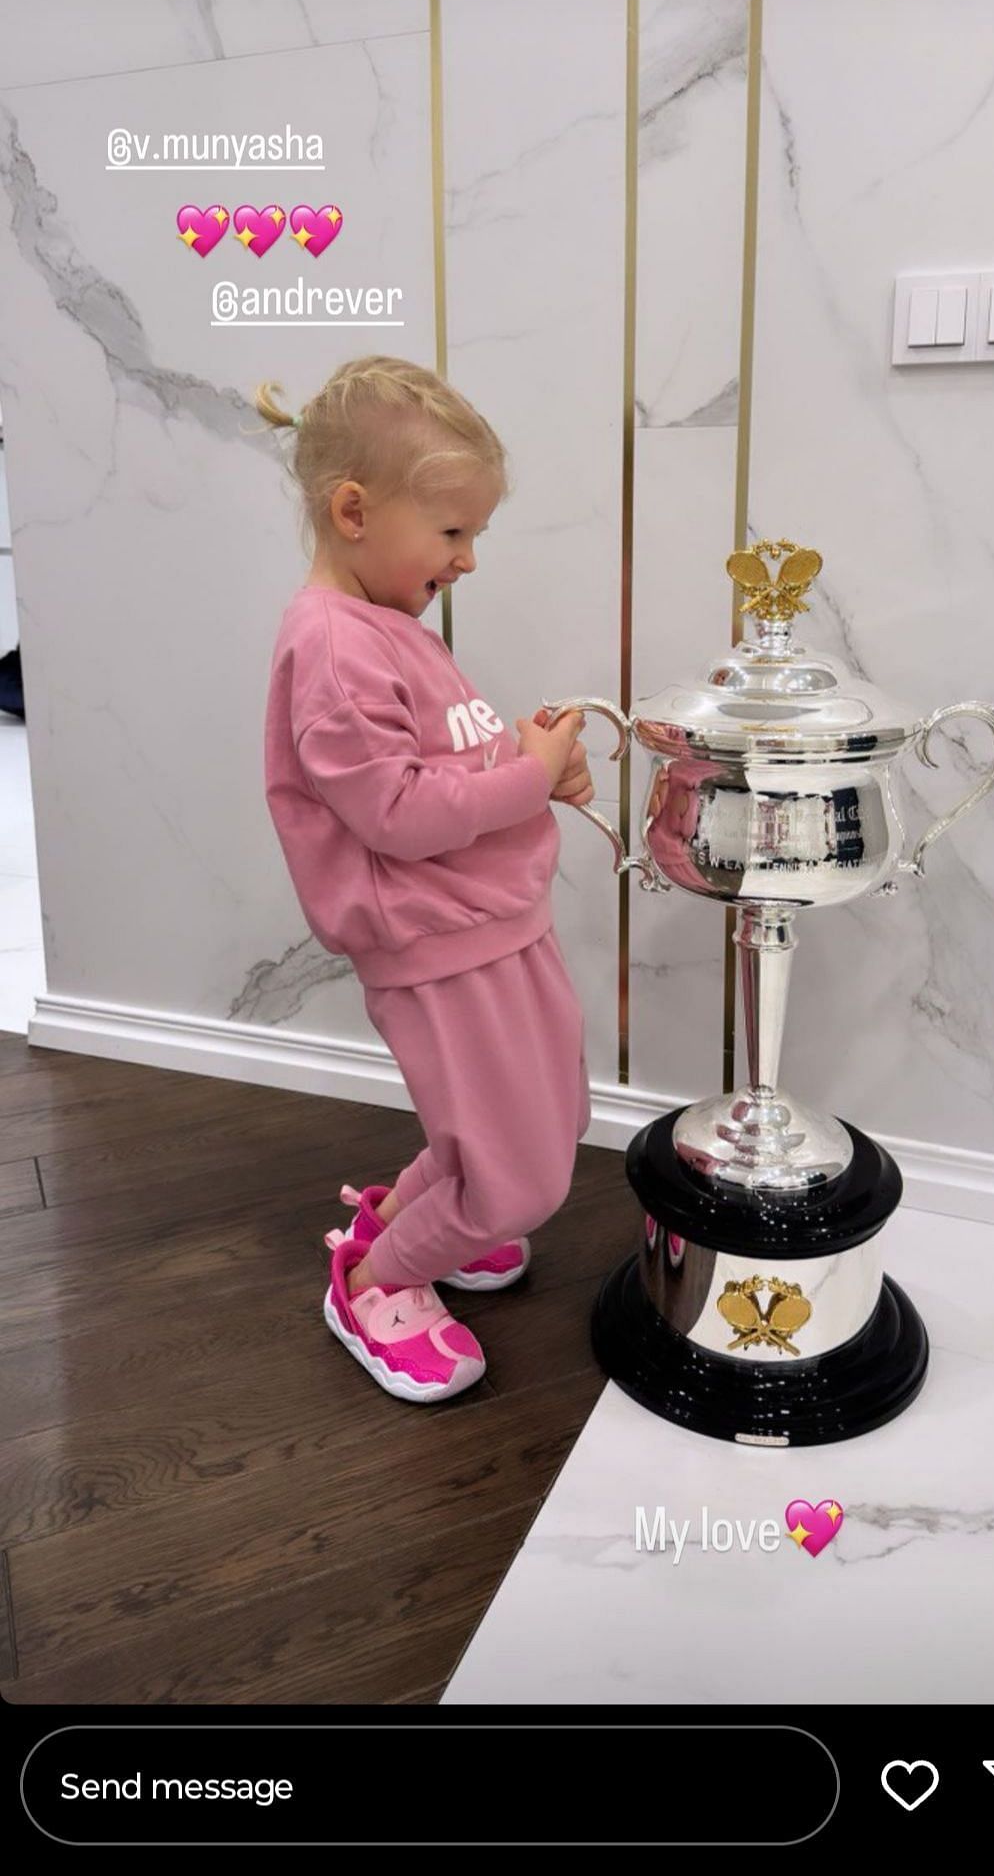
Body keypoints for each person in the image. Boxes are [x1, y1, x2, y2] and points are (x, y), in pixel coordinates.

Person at [261, 357, 594, 1405]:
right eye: (453, 534)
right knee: (525, 1176)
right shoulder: (330, 645)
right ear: (353, 509)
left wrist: (527, 761)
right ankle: (374, 1279)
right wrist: (529, 780)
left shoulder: (388, 628)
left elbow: (449, 766)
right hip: (437, 947)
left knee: (547, 1120)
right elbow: (396, 813)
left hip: (498, 924)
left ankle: (422, 1218)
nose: (469, 560)